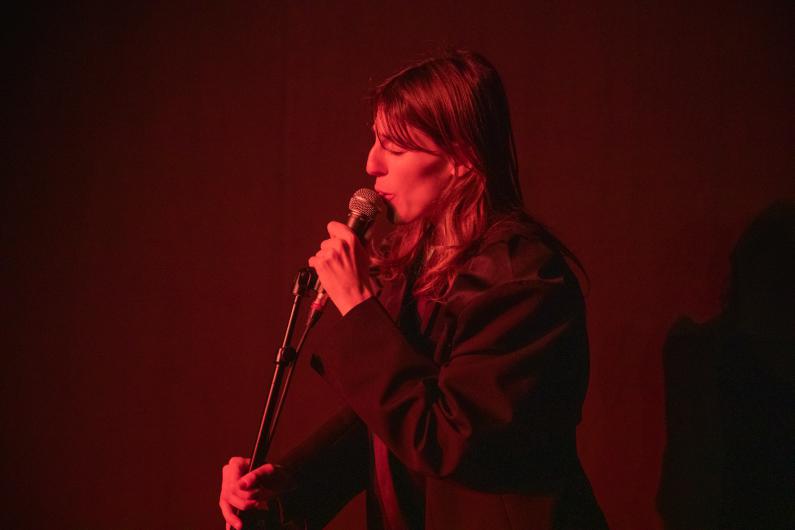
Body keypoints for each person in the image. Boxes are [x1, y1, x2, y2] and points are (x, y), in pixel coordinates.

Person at [220, 49, 608, 530]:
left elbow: (452, 437)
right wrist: (286, 484)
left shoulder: (523, 282)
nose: (371, 163)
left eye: (396, 148)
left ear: (462, 158)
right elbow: (392, 423)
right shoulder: (420, 266)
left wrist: (359, 307)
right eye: (375, 142)